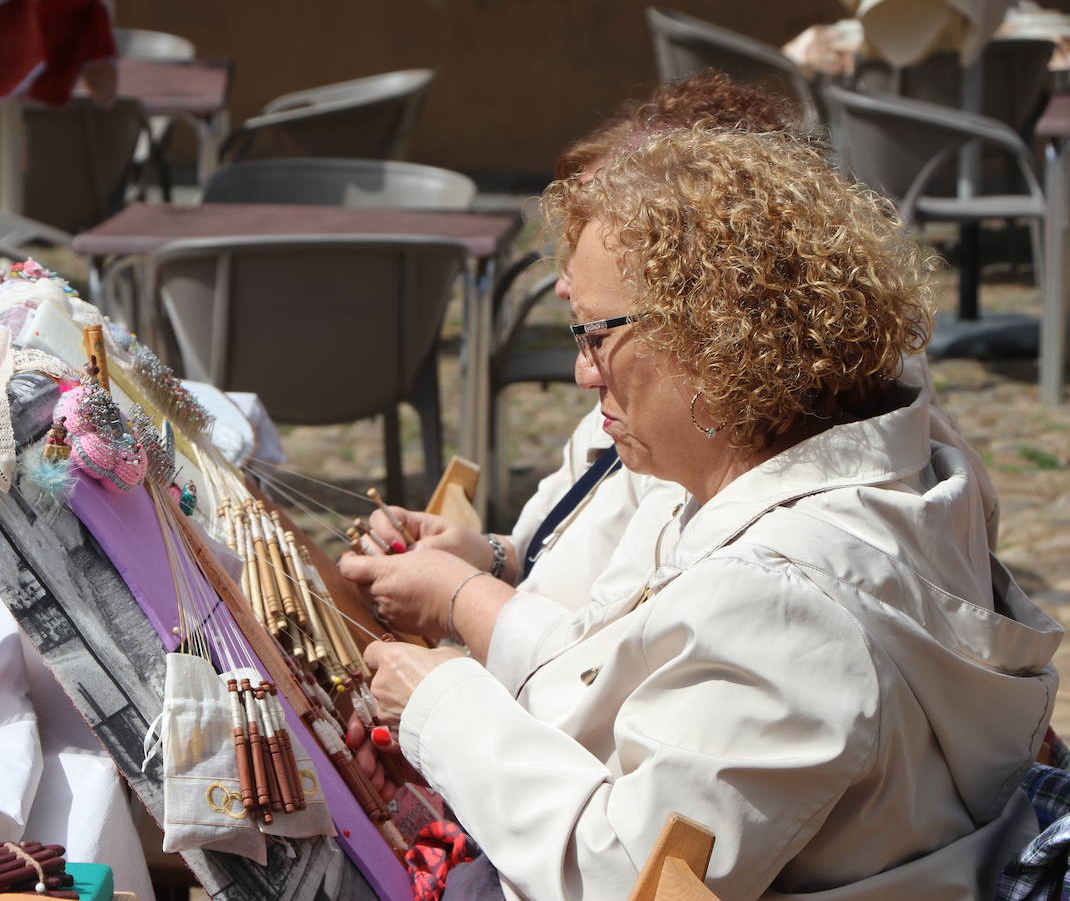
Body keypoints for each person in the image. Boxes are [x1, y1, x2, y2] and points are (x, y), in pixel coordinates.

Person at [343, 126, 1061, 898]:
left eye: (594, 335)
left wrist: (441, 708)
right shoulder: (872, 461)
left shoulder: (785, 603)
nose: (583, 373)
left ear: (716, 335)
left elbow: (626, 877)